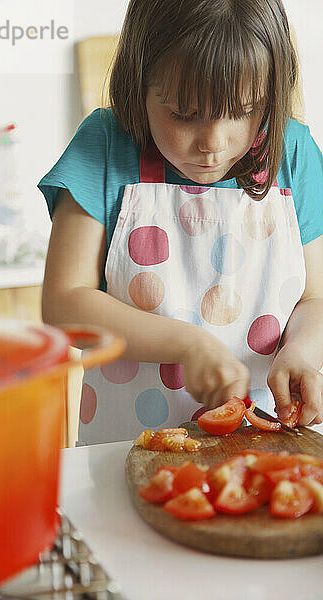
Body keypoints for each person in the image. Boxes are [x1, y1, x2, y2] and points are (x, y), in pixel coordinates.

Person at [38, 0, 323, 445]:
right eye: (185, 115)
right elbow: (63, 306)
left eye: (245, 111)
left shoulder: (295, 152)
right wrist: (187, 345)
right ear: (139, 84)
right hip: (125, 444)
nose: (214, 143)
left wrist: (303, 350)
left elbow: (316, 298)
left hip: (267, 440)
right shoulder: (105, 146)